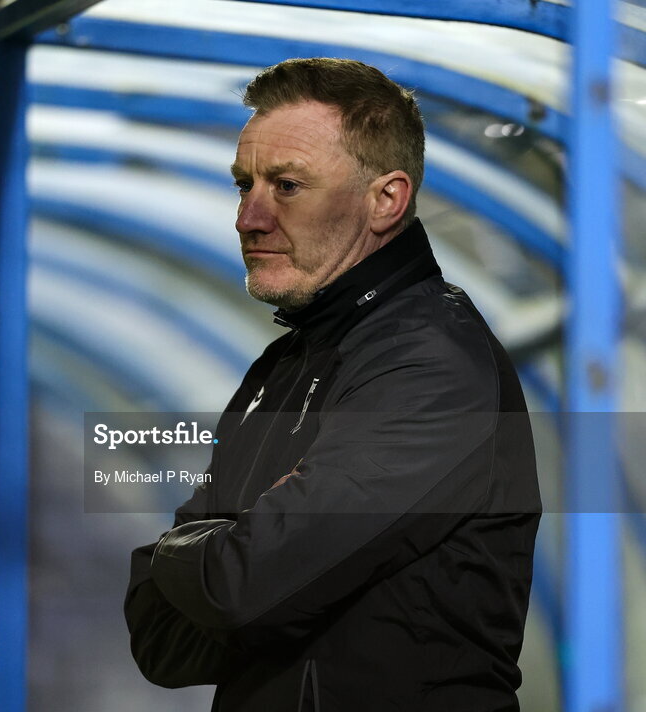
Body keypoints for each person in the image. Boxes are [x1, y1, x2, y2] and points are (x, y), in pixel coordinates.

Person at [123, 58, 541, 711]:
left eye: (287, 186)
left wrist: (180, 552)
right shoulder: (280, 368)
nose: (249, 218)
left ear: (387, 199)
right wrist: (226, 561)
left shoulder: (433, 364)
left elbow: (241, 586)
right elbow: (161, 641)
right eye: (243, 185)